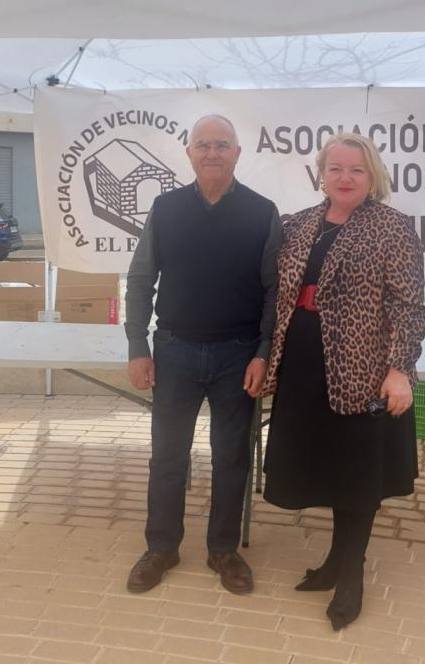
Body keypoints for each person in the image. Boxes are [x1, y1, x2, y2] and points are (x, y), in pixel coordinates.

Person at [261, 132, 425, 630]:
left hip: (365, 371)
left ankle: (351, 572)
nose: (345, 177)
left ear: (372, 175)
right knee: (330, 468)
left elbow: (409, 306)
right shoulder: (298, 224)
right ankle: (335, 561)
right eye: (335, 168)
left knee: (358, 472)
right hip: (304, 367)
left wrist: (400, 369)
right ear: (321, 174)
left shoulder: (392, 227)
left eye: (356, 169)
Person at [125, 114, 280, 595]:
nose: (212, 152)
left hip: (238, 357)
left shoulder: (262, 212)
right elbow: (140, 278)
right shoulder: (165, 208)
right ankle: (161, 547)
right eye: (203, 144)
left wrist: (263, 352)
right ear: (189, 153)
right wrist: (137, 346)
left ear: (238, 153)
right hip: (174, 352)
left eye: (222, 144)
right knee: (167, 456)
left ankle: (223, 551)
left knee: (231, 457)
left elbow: (275, 292)